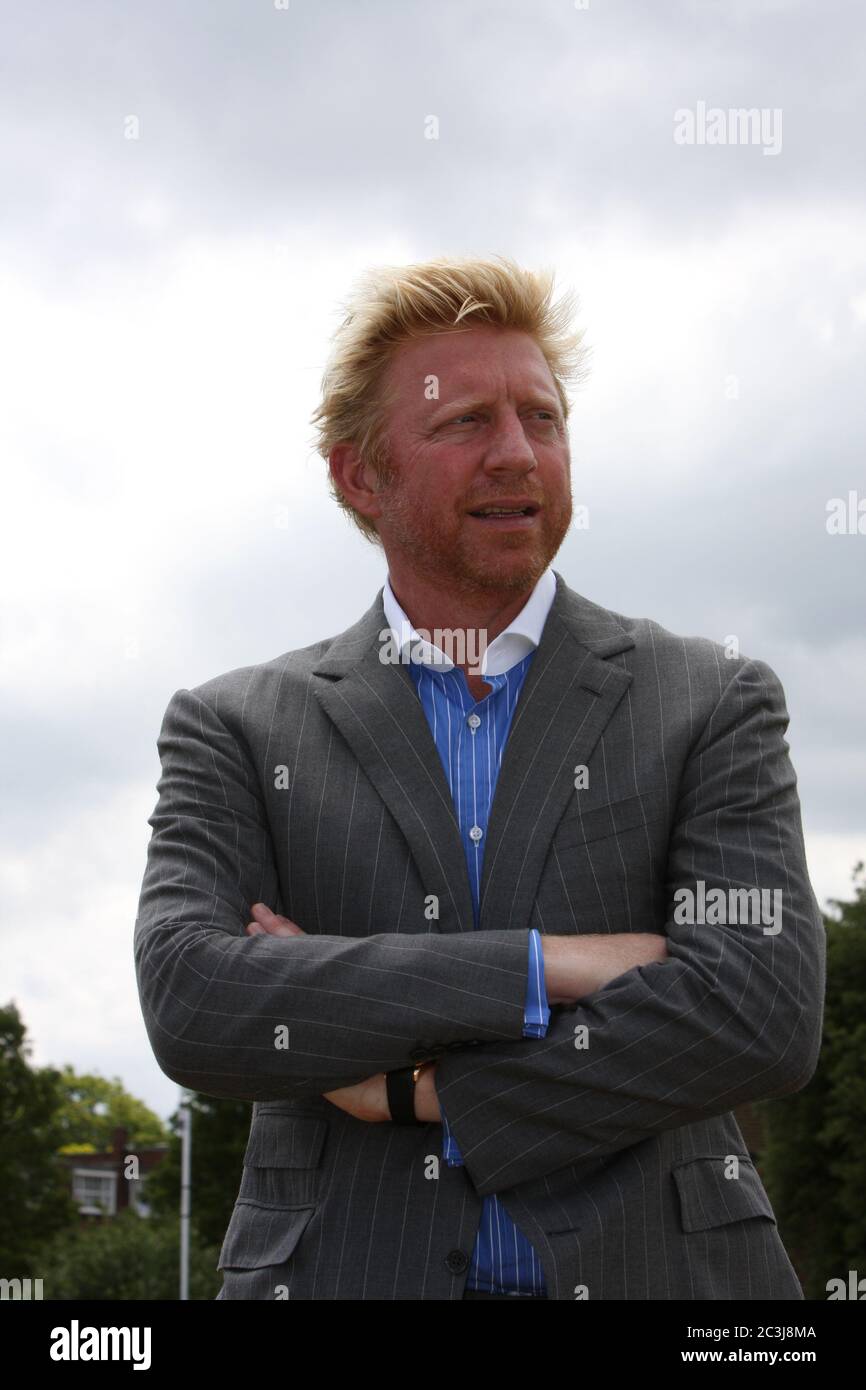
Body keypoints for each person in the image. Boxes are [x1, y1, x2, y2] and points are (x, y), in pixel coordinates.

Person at [134, 255, 825, 1300]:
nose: (516, 454)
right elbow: (196, 1002)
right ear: (357, 475)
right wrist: (547, 966)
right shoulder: (234, 725)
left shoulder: (710, 699)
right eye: (464, 423)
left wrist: (421, 1094)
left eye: (540, 419)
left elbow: (760, 1013)